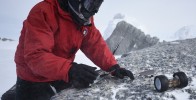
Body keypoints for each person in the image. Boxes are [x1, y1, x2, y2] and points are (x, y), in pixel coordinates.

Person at [1, 0, 134, 100]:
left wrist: (113, 66)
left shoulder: (82, 18)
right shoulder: (43, 12)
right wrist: (70, 70)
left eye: (97, 5)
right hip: (33, 78)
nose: (94, 11)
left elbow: (94, 43)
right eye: (90, 4)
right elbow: (36, 57)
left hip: (60, 72)